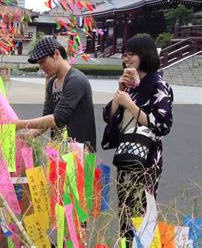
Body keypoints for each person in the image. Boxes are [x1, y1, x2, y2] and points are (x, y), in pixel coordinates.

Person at [102, 35, 173, 245]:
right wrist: (121, 90)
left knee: (141, 213)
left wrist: (131, 105)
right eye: (124, 54)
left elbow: (162, 125)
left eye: (131, 54)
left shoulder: (159, 85)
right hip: (126, 157)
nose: (126, 58)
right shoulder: (129, 86)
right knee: (124, 210)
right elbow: (109, 116)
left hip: (146, 162)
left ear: (145, 55)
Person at [15, 37, 97, 151]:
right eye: (39, 64)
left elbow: (57, 119)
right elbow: (46, 117)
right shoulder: (52, 83)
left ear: (56, 54)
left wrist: (20, 124)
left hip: (80, 151)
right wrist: (29, 135)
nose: (41, 67)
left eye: (43, 61)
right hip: (60, 150)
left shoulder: (75, 80)